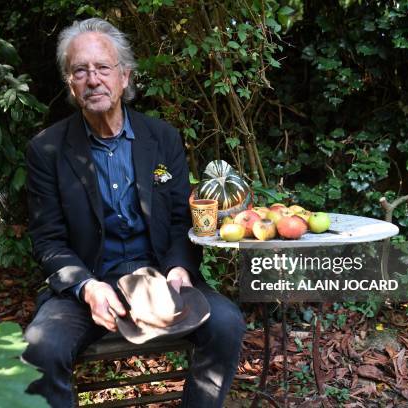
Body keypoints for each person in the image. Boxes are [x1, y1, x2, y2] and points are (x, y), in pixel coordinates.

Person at [22, 18, 246, 408]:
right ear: (70, 84)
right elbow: (48, 239)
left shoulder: (162, 139)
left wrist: (180, 268)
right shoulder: (46, 150)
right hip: (90, 285)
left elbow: (180, 219)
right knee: (39, 349)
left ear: (124, 77)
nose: (93, 79)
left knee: (226, 324)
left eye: (103, 68)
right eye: (80, 70)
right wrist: (87, 287)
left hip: (160, 278)